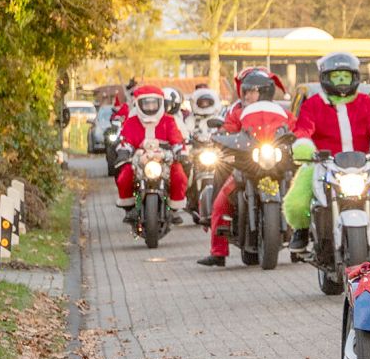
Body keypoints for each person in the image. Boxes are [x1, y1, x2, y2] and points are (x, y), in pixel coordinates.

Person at [283, 52, 370, 251]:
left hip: (362, 165)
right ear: (325, 78)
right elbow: (303, 128)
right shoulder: (313, 104)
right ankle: (301, 231)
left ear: (354, 78)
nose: (341, 81)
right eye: (336, 76)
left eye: (345, 76)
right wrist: (304, 146)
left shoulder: (365, 102)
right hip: (322, 164)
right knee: (296, 204)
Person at [197, 91, 296, 267]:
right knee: (220, 203)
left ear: (266, 90)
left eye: (254, 91)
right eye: (246, 91)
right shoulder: (239, 113)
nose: (248, 95)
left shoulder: (282, 112)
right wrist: (221, 136)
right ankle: (218, 252)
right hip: (247, 168)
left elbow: (297, 129)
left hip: (277, 167)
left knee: (299, 199)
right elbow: (227, 129)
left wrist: (300, 139)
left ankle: (299, 247)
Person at [114, 85, 188, 223]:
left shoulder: (168, 120)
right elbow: (125, 140)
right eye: (146, 104)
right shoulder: (132, 121)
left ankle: (173, 209)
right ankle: (130, 208)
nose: (150, 107)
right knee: (124, 176)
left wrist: (181, 152)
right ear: (139, 104)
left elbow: (177, 139)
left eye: (153, 103)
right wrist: (123, 153)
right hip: (139, 159)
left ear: (160, 103)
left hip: (164, 158)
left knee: (179, 176)